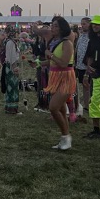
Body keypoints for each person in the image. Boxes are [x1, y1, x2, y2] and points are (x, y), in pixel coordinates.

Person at [31, 17, 76, 150]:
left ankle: (66, 136)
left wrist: (50, 55)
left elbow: (63, 63)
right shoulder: (54, 42)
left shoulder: (67, 43)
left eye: (55, 26)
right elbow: (53, 63)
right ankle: (65, 138)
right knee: (61, 108)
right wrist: (39, 63)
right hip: (55, 77)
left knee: (53, 107)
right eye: (52, 25)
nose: (52, 28)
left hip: (66, 78)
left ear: (62, 28)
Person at [74, 17, 91, 121]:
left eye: (84, 24)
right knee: (78, 84)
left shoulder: (92, 37)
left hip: (86, 65)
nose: (82, 25)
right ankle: (78, 102)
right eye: (81, 24)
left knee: (86, 86)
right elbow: (77, 48)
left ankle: (87, 105)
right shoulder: (81, 35)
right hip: (78, 64)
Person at [2, 26, 21, 115]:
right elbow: (12, 57)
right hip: (11, 66)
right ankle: (12, 109)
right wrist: (15, 68)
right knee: (13, 88)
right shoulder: (11, 43)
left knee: (9, 88)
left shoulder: (8, 42)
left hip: (8, 66)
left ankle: (8, 107)